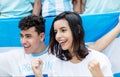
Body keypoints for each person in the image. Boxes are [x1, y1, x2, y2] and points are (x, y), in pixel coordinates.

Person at [31, 11, 113, 77]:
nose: (58, 36)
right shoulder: (57, 63)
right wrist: (38, 74)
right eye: (55, 32)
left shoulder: (100, 59)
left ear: (77, 30)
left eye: (63, 30)